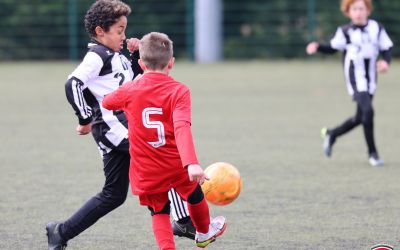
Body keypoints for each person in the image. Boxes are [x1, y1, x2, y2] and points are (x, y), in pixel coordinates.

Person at [46, 1, 193, 249]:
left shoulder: (114, 55)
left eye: (125, 30)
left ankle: (61, 232)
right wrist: (85, 118)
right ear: (101, 31)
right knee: (161, 158)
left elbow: (132, 83)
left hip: (120, 128)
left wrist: (135, 56)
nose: (124, 36)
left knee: (113, 195)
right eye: (119, 31)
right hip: (113, 128)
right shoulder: (97, 55)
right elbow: (73, 83)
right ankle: (184, 219)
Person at [102, 32, 227, 249]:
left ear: (141, 63)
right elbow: (181, 127)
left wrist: (135, 82)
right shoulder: (179, 91)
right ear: (171, 63)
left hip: (145, 166)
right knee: (194, 194)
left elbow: (107, 102)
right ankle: (205, 231)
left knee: (159, 211)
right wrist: (191, 163)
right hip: (174, 163)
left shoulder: (131, 89)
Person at [306, 0, 393, 167]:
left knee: (361, 117)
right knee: (368, 111)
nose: (358, 12)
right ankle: (373, 154)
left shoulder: (377, 28)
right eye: (354, 9)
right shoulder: (345, 32)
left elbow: (387, 48)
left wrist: (386, 62)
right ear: (348, 12)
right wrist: (317, 47)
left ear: (368, 10)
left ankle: (332, 134)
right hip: (355, 77)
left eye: (361, 8)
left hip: (371, 78)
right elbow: (332, 48)